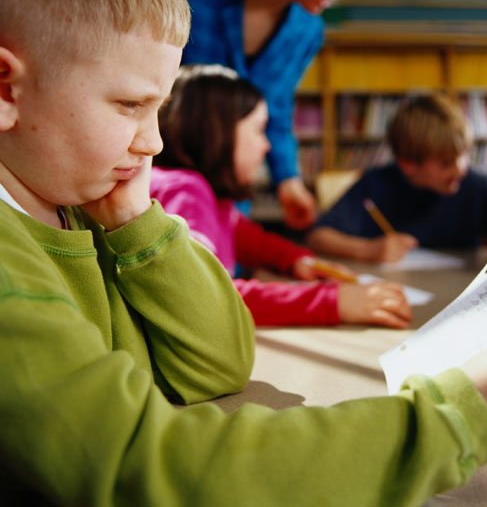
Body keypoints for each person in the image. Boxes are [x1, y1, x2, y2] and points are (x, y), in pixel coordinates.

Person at [0, 0, 487, 505]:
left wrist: (135, 222)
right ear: (6, 90)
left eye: (161, 107)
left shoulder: (86, 208)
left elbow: (216, 366)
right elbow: (143, 465)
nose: (155, 143)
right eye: (130, 104)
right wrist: (457, 421)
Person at [150, 64, 412, 328]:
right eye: (259, 129)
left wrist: (298, 260)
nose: (267, 145)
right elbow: (202, 296)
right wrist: (333, 302)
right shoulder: (185, 192)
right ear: (216, 134)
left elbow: (252, 240)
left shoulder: (212, 197)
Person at [159, 0, 368, 230]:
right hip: (158, 192)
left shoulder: (307, 30)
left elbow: (276, 110)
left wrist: (288, 181)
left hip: (229, 203)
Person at [307, 94, 487, 263]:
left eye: (464, 156)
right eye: (446, 163)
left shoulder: (473, 183)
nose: (460, 170)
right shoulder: (376, 185)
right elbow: (318, 237)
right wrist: (368, 250)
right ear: (407, 164)